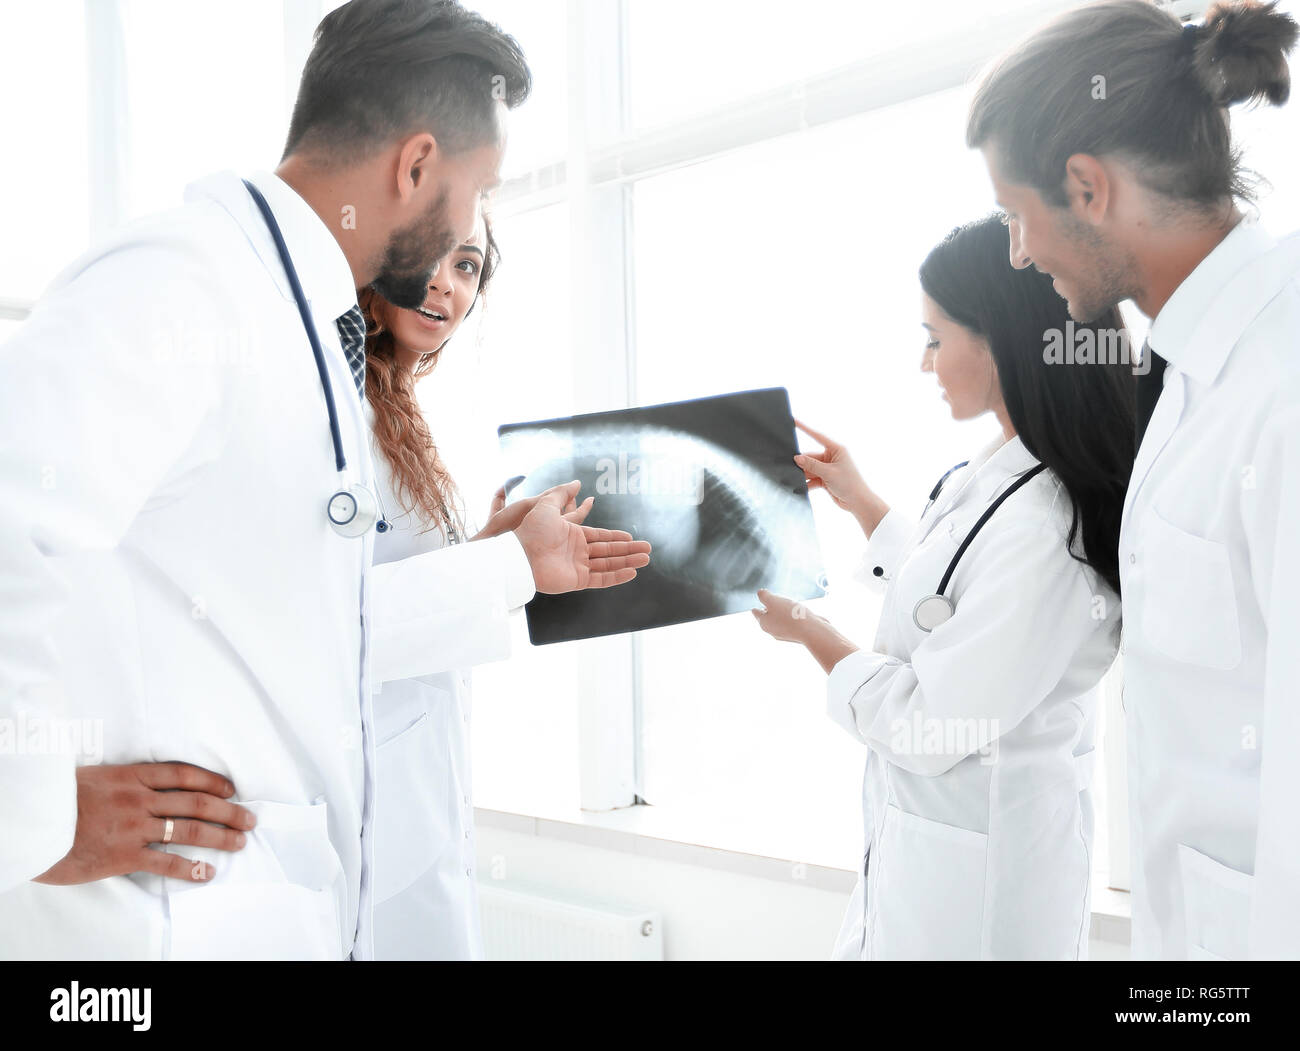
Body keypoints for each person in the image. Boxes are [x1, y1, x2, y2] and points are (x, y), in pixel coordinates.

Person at [0, 0, 649, 960]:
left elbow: (292, 612)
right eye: (478, 189)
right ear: (416, 164)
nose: (472, 227)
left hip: (262, 905)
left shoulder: (305, 327)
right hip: (152, 932)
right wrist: (36, 809)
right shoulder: (181, 279)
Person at [967, 0, 1300, 960]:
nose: (1019, 253)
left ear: (1086, 185)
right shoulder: (1191, 369)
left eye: (1016, 217)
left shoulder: (1278, 388)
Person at [753, 215, 1134, 959]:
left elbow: (933, 725)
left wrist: (812, 632)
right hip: (928, 866)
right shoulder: (996, 474)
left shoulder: (1049, 519)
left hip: (987, 897)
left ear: (999, 341)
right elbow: (951, 602)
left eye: (934, 337)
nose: (924, 364)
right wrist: (862, 502)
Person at [359, 214, 588, 958]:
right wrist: (507, 563)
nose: (446, 285)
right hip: (369, 817)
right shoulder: (338, 414)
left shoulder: (400, 409)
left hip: (417, 805)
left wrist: (492, 549)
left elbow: (406, 586)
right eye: (431, 255)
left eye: (468, 267)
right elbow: (330, 623)